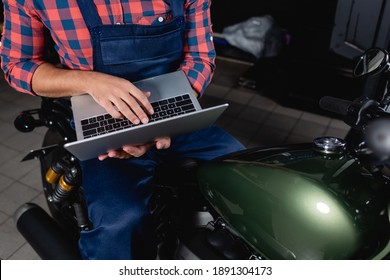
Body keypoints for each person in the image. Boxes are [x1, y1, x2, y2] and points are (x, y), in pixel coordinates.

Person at [0, 0, 245, 259]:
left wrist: (166, 122)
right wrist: (90, 81)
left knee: (250, 183)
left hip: (176, 110)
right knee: (121, 223)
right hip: (99, 120)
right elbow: (18, 65)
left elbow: (200, 57)